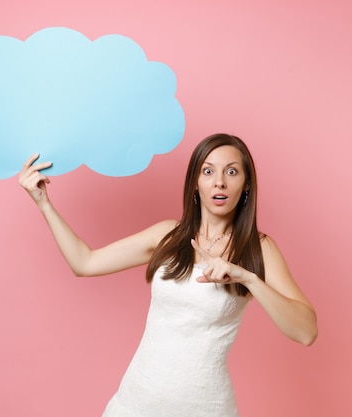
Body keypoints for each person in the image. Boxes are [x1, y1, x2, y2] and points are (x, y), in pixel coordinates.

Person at [19, 133, 318, 417]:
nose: (219, 183)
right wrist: (43, 203)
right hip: (135, 402)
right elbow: (84, 263)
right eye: (208, 171)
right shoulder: (168, 235)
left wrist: (248, 278)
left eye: (231, 172)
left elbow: (305, 332)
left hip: (205, 407)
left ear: (246, 184)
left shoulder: (259, 249)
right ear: (195, 183)